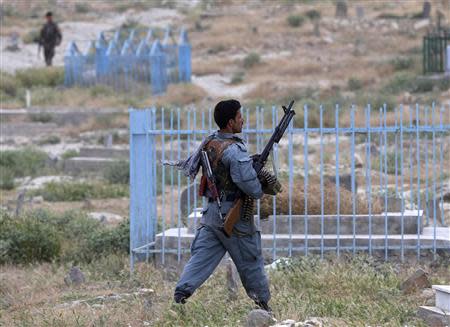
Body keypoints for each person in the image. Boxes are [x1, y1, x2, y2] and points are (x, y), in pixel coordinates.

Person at [171, 99, 282, 312]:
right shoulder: (234, 150)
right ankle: (263, 305)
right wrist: (259, 179)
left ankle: (180, 296)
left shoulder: (210, 142)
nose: (243, 120)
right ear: (230, 122)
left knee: (201, 257)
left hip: (211, 214)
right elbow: (252, 188)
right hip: (234, 217)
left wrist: (250, 163)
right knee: (250, 258)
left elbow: (227, 171)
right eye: (240, 117)